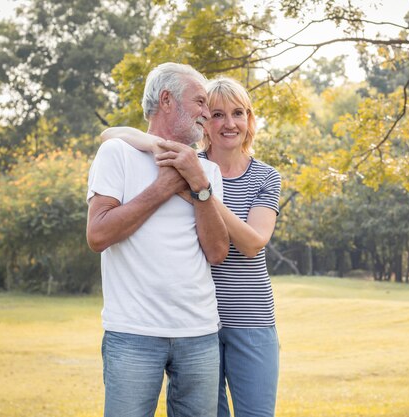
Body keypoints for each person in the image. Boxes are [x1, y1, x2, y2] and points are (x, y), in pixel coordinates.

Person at [101, 77, 281, 417]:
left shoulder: (260, 176)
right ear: (204, 123)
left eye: (238, 113)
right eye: (217, 114)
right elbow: (111, 134)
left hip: (250, 317)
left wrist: (200, 188)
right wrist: (168, 155)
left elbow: (254, 243)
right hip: (201, 325)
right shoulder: (185, 161)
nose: (230, 123)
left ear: (249, 120)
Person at [86, 62, 229, 417]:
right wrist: (163, 187)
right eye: (199, 101)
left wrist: (198, 184)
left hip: (199, 333)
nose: (206, 113)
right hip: (133, 332)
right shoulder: (118, 153)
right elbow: (98, 234)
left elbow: (217, 251)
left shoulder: (207, 170)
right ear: (167, 100)